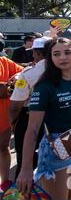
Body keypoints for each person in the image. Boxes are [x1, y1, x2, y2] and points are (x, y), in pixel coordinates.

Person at [16, 38, 71, 200]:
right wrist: (25, 168)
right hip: (57, 149)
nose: (62, 57)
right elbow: (32, 130)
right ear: (50, 58)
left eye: (67, 52)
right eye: (56, 54)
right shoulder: (45, 86)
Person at [8, 38, 50, 180]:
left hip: (28, 119)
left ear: (37, 53)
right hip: (57, 120)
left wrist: (12, 123)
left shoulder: (28, 74)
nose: (32, 56)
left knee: (26, 161)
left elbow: (15, 106)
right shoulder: (66, 71)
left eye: (33, 53)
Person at [0, 55, 23, 187]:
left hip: (4, 116)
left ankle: (4, 182)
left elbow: (23, 72)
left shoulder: (4, 62)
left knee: (3, 147)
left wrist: (15, 79)